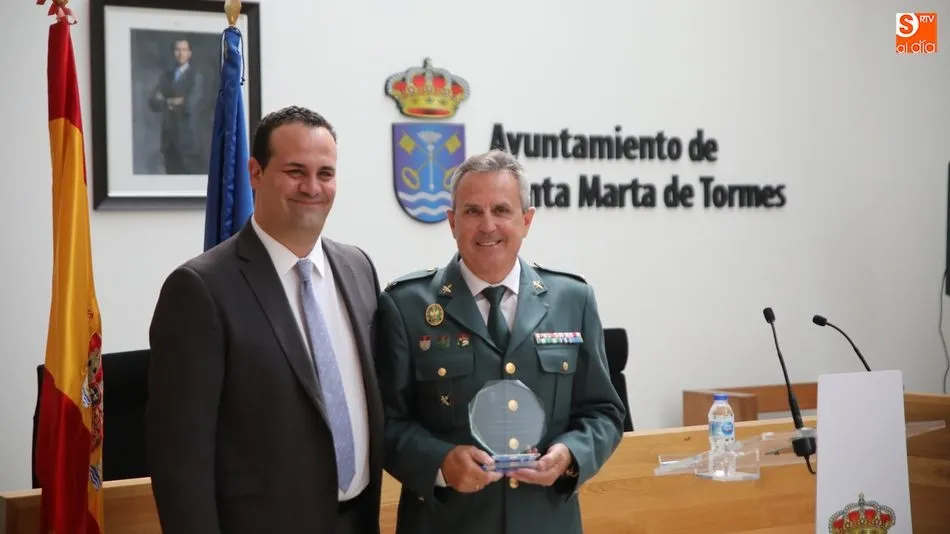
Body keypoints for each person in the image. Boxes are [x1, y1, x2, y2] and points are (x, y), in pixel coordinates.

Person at [146, 106, 384, 534]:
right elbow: (180, 461)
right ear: (255, 172)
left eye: (325, 173)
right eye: (295, 171)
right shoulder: (200, 288)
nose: (312, 187)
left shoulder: (358, 268)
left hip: (360, 521)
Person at [375, 149, 626, 533]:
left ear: (526, 220)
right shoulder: (405, 306)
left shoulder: (572, 299)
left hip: (544, 521)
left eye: (502, 210)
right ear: (451, 221)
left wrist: (571, 455)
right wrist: (440, 462)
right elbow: (386, 423)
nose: (487, 225)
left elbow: (604, 412)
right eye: (473, 211)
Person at [147, 36, 204, 174]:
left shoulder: (196, 77)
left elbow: (191, 104)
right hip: (168, 140)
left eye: (184, 50)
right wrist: (171, 101)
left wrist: (166, 100)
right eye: (177, 49)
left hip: (188, 140)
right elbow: (153, 102)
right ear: (173, 52)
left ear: (189, 53)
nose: (181, 53)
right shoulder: (166, 77)